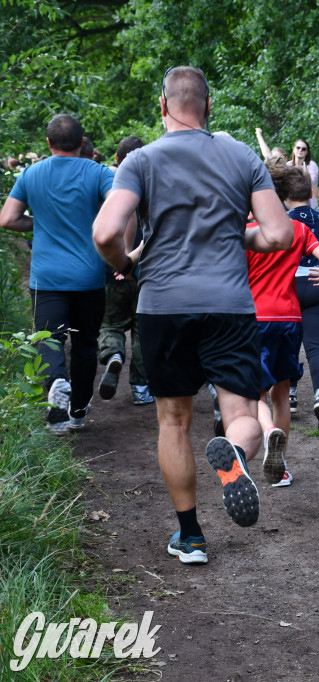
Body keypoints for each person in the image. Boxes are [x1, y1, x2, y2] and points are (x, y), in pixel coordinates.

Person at [93, 66, 294, 565]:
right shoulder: (241, 156)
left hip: (164, 305)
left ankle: (191, 537)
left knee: (174, 421)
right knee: (242, 414)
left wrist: (126, 263)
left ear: (163, 106)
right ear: (207, 107)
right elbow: (279, 236)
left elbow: (104, 233)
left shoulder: (139, 160)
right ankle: (237, 465)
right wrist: (236, 236)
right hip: (229, 304)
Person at [0, 113, 115, 434]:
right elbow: (120, 207)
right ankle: (77, 411)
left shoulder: (31, 174)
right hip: (89, 277)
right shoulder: (99, 172)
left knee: (49, 339)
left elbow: (8, 218)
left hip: (46, 278)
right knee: (85, 343)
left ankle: (57, 384)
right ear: (82, 143)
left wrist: (41, 223)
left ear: (48, 143)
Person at [247, 162, 319, 487]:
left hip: (256, 319)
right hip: (290, 318)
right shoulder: (299, 231)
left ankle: (268, 431)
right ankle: (282, 465)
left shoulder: (249, 231)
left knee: (255, 394)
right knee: (282, 395)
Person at [275, 156, 319, 432]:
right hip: (318, 284)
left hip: (288, 286)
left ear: (285, 195)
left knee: (289, 344)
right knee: (317, 345)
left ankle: (289, 395)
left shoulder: (280, 222)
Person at [97, 135, 154, 406]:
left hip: (115, 265)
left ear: (117, 159)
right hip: (148, 269)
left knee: (111, 323)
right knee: (142, 329)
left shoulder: (110, 185)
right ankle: (141, 388)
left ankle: (114, 356)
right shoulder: (156, 184)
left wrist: (121, 263)